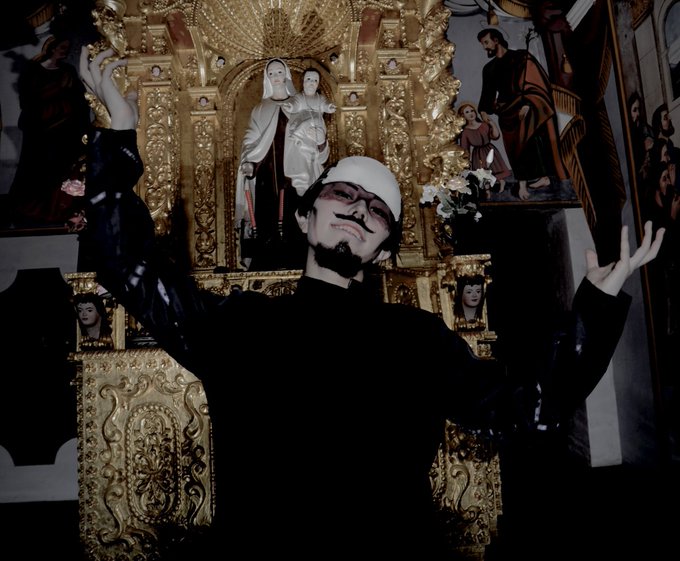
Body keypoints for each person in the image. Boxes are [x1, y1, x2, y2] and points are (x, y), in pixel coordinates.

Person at [79, 48, 664, 559]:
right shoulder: (240, 325)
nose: (360, 208)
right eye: (344, 192)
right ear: (306, 215)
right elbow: (126, 263)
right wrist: (120, 131)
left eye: (379, 210)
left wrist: (597, 304)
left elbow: (531, 407)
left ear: (383, 249)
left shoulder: (419, 340)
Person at [476, 28, 569, 201]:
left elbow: (536, 82)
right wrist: (483, 111)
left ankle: (540, 179)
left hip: (526, 109)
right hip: (507, 112)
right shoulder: (489, 68)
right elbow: (487, 94)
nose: (484, 47)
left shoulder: (521, 57)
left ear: (496, 40)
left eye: (486, 42)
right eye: (483, 44)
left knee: (531, 144)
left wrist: (528, 103)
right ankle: (528, 182)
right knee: (514, 150)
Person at [8, 35, 91, 228]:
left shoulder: (67, 71)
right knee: (38, 171)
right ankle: (33, 211)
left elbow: (79, 99)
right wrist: (55, 92)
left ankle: (57, 210)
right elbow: (28, 100)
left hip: (65, 132)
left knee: (60, 170)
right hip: (41, 132)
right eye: (62, 47)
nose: (64, 51)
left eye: (67, 48)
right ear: (51, 47)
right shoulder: (33, 70)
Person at [235, 58, 305, 271]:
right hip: (267, 171)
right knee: (267, 214)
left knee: (295, 212)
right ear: (267, 78)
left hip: (294, 172)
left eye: (279, 72)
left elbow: (311, 135)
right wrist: (249, 162)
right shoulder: (260, 109)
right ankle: (267, 260)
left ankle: (297, 257)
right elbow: (251, 138)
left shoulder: (300, 105)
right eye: (271, 73)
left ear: (286, 75)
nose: (276, 76)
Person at [282, 68, 336, 195]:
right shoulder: (300, 97)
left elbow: (325, 104)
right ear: (303, 82)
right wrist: (290, 107)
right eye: (308, 79)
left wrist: (329, 107)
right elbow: (295, 104)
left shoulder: (319, 98)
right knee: (302, 161)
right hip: (301, 135)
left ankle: (310, 189)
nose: (311, 82)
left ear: (318, 84)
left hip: (315, 131)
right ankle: (302, 183)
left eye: (315, 80)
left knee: (313, 164)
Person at [457, 101, 511, 194]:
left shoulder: (484, 125)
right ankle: (487, 191)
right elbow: (465, 148)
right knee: (483, 174)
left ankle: (501, 182)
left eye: (472, 111)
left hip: (490, 151)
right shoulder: (465, 132)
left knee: (496, 169)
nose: (471, 113)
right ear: (463, 116)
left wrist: (492, 123)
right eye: (467, 112)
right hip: (478, 155)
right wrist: (466, 161)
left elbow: (495, 136)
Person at [627, 91, 655, 181]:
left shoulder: (644, 127)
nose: (638, 114)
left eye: (639, 109)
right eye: (634, 110)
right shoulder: (628, 133)